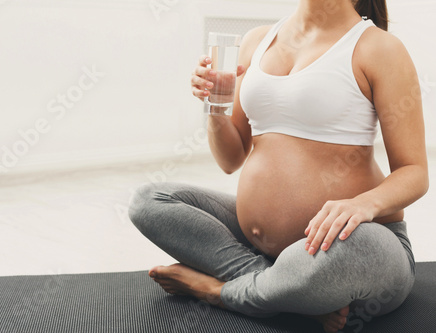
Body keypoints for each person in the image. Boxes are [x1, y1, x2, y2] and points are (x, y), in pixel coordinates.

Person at [128, 0, 429, 332]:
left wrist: (362, 205)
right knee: (149, 201)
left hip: (352, 245)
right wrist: (215, 107)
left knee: (344, 255)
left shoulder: (379, 48)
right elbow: (231, 159)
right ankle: (283, 292)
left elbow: (414, 172)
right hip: (267, 249)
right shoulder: (257, 41)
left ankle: (219, 291)